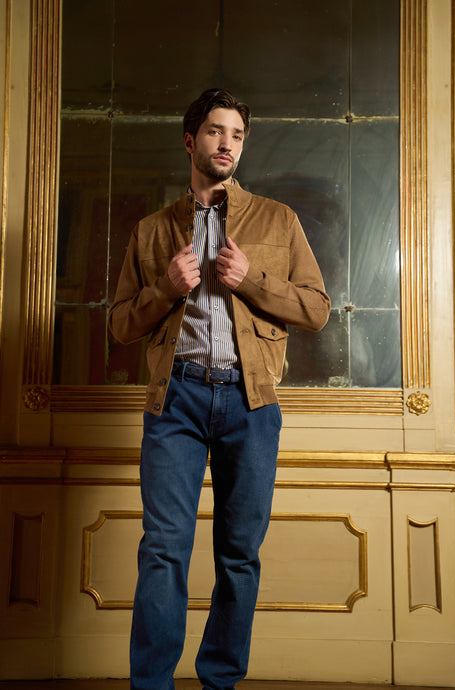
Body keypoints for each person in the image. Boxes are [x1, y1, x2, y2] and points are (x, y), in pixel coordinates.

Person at [108, 88, 331, 690]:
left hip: (249, 402)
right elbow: (121, 324)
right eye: (214, 131)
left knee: (239, 553)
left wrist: (251, 280)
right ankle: (150, 685)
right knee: (163, 549)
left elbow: (316, 309)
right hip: (175, 399)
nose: (227, 143)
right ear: (190, 141)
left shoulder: (279, 221)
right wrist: (165, 289)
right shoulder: (152, 230)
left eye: (236, 134)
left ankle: (220, 681)